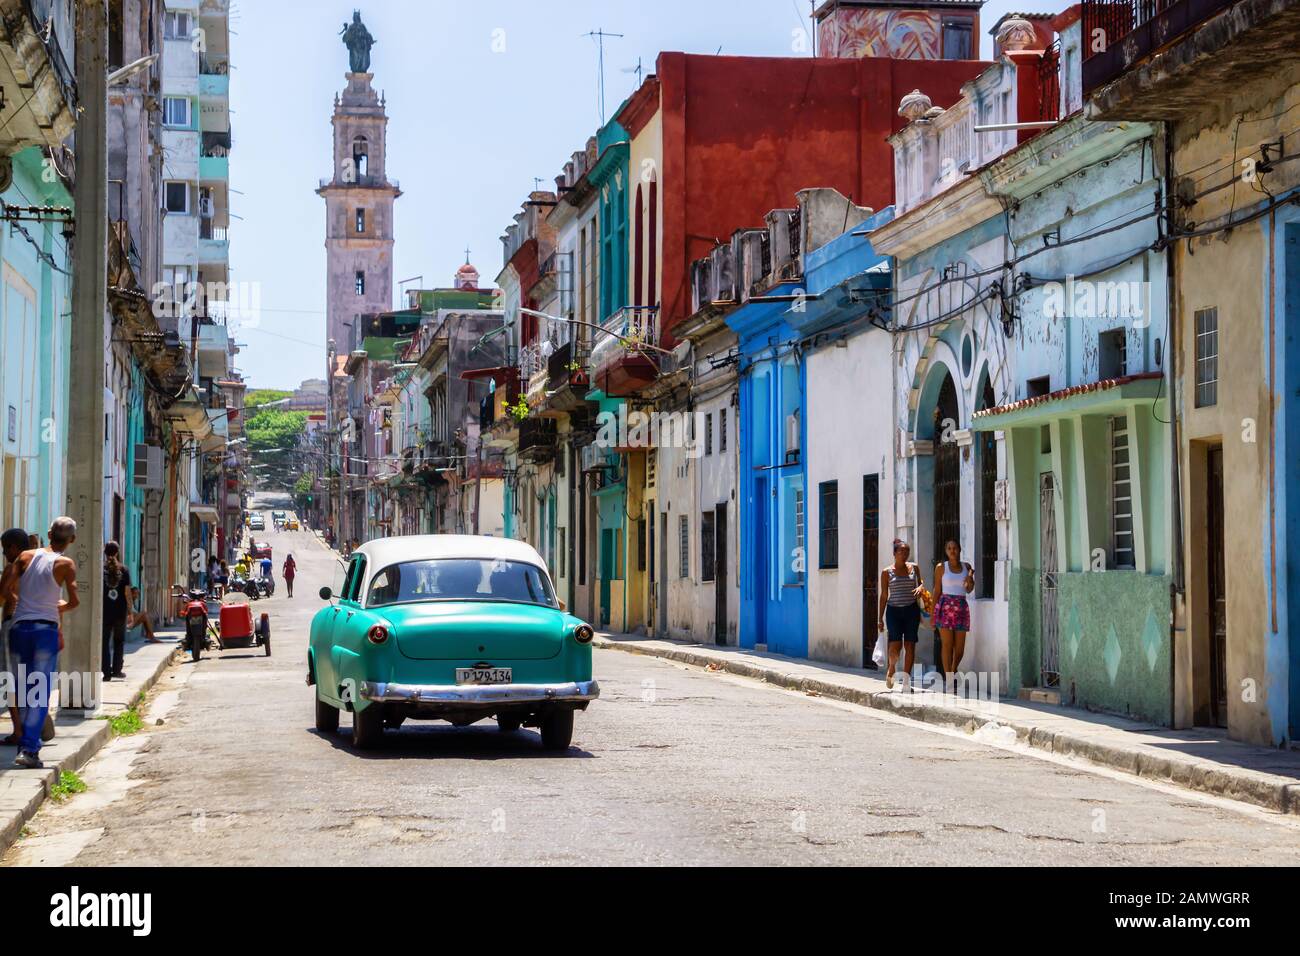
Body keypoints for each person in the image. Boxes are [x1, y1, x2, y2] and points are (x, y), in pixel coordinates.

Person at [3, 517, 79, 768]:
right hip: (44, 632)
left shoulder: (24, 556)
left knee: (23, 689)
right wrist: (56, 607)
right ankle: (29, 748)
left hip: (19, 629)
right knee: (39, 690)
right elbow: (74, 602)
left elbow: (4, 590)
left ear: (49, 533)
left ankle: (25, 740)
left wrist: (22, 600)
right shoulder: (66, 564)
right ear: (72, 540)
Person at [878, 539, 924, 690]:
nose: (904, 554)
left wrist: (921, 588)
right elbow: (884, 595)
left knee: (910, 645)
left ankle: (906, 680)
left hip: (911, 610)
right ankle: (892, 668)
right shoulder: (886, 572)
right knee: (895, 646)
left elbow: (921, 582)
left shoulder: (914, 568)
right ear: (894, 554)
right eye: (901, 551)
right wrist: (880, 618)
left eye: (906, 551)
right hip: (894, 611)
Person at [933, 539, 975, 692]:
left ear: (959, 549)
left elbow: (969, 589)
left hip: (961, 607)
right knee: (947, 645)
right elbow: (937, 591)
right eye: (949, 548)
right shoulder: (941, 568)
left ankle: (953, 668)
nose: (952, 551)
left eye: (955, 548)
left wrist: (970, 580)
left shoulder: (967, 567)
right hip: (945, 607)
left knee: (960, 649)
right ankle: (949, 678)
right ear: (946, 551)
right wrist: (933, 615)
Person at [0, 528, 28, 744]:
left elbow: (2, 596)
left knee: (9, 679)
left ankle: (18, 730)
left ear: (14, 547)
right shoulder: (35, 567)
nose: (4, 554)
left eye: (5, 548)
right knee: (26, 678)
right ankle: (28, 727)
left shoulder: (12, 567)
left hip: (11, 624)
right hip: (29, 624)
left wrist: (12, 597)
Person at [102, 542, 133, 681]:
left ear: (104, 552)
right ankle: (117, 670)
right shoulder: (124, 570)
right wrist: (130, 611)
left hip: (105, 611)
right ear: (117, 552)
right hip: (120, 611)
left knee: (104, 641)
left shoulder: (101, 569)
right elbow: (127, 593)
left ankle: (106, 672)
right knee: (119, 641)